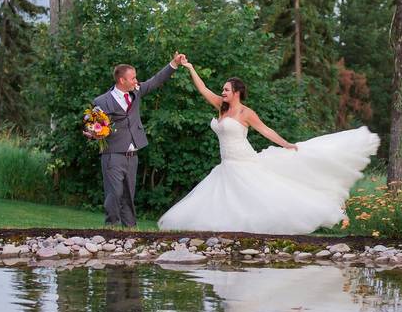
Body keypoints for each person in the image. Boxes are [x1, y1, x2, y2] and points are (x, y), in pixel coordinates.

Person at [157, 60, 379, 234]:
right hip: (227, 163)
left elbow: (266, 131)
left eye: (226, 90)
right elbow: (203, 89)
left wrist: (286, 144)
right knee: (228, 199)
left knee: (269, 195)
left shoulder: (246, 113)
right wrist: (190, 68)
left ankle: (323, 212)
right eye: (222, 90)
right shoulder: (221, 108)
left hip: (243, 160)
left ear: (237, 92)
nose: (222, 92)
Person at [92, 52, 185, 227]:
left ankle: (130, 230)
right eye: (133, 78)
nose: (136, 81)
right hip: (113, 154)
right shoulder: (101, 101)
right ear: (122, 81)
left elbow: (155, 80)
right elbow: (93, 126)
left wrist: (174, 63)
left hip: (132, 155)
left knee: (128, 195)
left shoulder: (136, 92)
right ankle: (111, 227)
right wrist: (94, 132)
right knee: (115, 193)